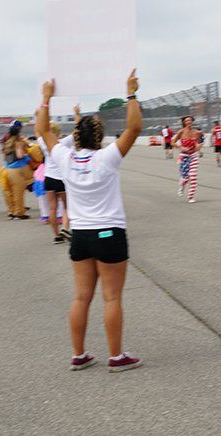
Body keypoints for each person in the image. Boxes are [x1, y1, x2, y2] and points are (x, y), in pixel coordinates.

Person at [37, 71, 143, 372]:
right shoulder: (107, 157)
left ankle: (79, 354)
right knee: (112, 298)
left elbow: (43, 131)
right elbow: (134, 128)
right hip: (109, 232)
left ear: (77, 135)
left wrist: (46, 99)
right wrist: (131, 94)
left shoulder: (63, 158)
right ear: (100, 136)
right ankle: (116, 356)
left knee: (81, 297)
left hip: (81, 234)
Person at [36, 114, 76, 244]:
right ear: (58, 131)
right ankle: (65, 227)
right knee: (67, 206)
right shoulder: (63, 142)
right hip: (62, 179)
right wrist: (76, 114)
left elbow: (37, 130)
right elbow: (78, 131)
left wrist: (39, 116)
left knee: (52, 209)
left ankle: (56, 235)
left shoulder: (43, 143)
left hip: (48, 178)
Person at [172, 115, 202, 203]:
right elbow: (172, 142)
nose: (188, 122)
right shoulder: (181, 132)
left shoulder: (197, 132)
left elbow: (200, 142)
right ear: (184, 123)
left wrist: (198, 147)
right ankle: (182, 187)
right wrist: (180, 147)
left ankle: (191, 197)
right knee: (185, 177)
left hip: (193, 156)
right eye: (186, 121)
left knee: (193, 175)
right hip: (184, 157)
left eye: (190, 120)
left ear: (192, 121)